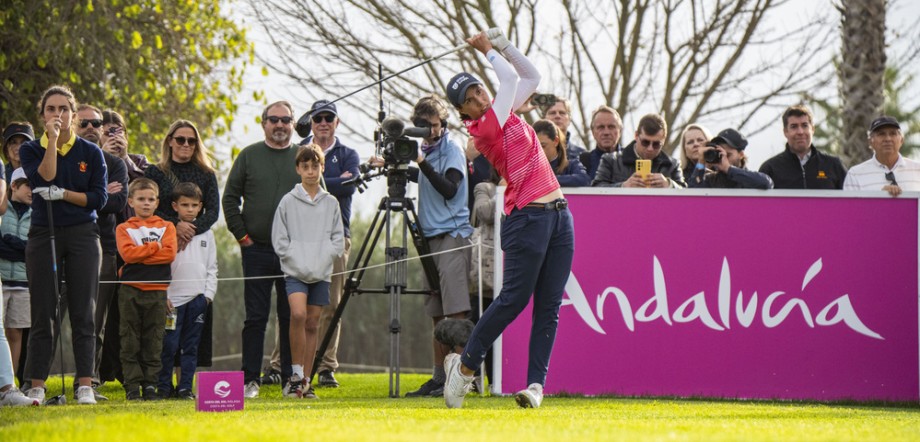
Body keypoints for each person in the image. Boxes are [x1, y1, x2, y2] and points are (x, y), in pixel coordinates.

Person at [442, 29, 574, 410]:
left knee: (549, 306)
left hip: (559, 216)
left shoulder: (501, 110)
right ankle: (465, 368)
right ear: (463, 113)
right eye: (469, 100)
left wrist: (503, 45)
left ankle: (535, 386)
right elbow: (512, 79)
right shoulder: (483, 128)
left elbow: (530, 77)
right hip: (526, 218)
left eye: (479, 91)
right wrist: (488, 49)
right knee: (514, 300)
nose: (478, 99)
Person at [20, 85, 108, 405]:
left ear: (73, 113)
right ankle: (37, 385)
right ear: (43, 115)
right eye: (51, 109)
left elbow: (99, 198)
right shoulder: (32, 149)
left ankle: (84, 383)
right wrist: (53, 141)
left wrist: (66, 195)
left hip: (84, 234)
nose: (57, 114)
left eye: (63, 109)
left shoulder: (91, 152)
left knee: (84, 310)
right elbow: (46, 176)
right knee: (44, 312)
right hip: (45, 234)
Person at [391, 95, 475, 398]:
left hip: (453, 234)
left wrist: (421, 162)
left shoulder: (452, 149)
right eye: (423, 127)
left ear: (444, 124)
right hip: (431, 236)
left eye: (434, 126)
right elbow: (428, 180)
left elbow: (450, 188)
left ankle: (466, 376)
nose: (430, 132)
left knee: (456, 313)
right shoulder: (426, 151)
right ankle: (439, 377)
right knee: (437, 313)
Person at [223, 101, 302, 398]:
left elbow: (318, 199)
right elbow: (230, 199)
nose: (280, 125)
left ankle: (288, 379)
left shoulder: (303, 156)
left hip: (292, 254)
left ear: (293, 123)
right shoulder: (249, 155)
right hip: (255, 250)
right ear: (263, 123)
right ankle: (249, 381)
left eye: (286, 120)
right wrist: (243, 237)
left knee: (289, 316)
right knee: (255, 317)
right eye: (274, 120)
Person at [272, 144, 344, 399]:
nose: (311, 171)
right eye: (305, 166)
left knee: (313, 323)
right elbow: (279, 240)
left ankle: (305, 381)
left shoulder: (331, 202)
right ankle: (293, 376)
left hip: (321, 273)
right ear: (298, 169)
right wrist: (296, 259)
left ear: (322, 168)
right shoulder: (288, 201)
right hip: (295, 272)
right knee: (298, 315)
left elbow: (338, 239)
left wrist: (325, 258)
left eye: (315, 166)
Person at [299, 99, 360, 388]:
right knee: (297, 304)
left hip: (337, 234)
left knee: (332, 303)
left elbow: (346, 187)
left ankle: (326, 367)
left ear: (337, 122)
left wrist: (322, 180)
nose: (323, 122)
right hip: (302, 235)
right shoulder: (299, 150)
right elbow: (306, 186)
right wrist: (336, 180)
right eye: (318, 118)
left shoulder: (349, 154)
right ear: (311, 122)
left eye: (329, 118)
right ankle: (284, 364)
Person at [77, 104, 128, 400]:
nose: (92, 127)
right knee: (60, 319)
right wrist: (98, 193)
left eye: (97, 122)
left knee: (96, 321)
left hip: (106, 248)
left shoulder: (114, 162)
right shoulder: (65, 159)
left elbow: (116, 202)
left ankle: (89, 380)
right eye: (86, 122)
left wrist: (83, 195)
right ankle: (36, 381)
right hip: (67, 244)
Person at [116, 178, 177, 401]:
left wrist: (143, 254)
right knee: (129, 337)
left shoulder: (167, 226)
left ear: (157, 202)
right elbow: (127, 255)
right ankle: (132, 385)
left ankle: (150, 384)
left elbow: (169, 255)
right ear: (131, 201)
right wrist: (155, 247)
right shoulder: (124, 228)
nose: (146, 203)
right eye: (141, 199)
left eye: (151, 199)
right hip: (130, 289)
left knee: (154, 338)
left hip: (158, 290)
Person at [157, 182, 217, 400]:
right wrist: (164, 294)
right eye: (185, 205)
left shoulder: (207, 234)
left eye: (194, 205)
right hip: (172, 301)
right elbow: (161, 265)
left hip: (197, 300)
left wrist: (208, 296)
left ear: (200, 206)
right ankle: (163, 387)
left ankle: (185, 388)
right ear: (175, 206)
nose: (190, 209)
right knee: (169, 346)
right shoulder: (166, 231)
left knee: (190, 348)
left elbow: (212, 267)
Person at [759, 105, 847, 189]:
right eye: (794, 127)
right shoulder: (770, 169)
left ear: (812, 129)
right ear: (785, 132)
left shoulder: (834, 166)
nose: (800, 132)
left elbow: (850, 202)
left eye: (805, 125)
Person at [592, 114, 686, 188]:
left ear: (664, 141)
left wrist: (669, 185)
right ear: (636, 135)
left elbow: (687, 195)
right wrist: (623, 186)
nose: (650, 148)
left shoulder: (672, 165)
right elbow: (595, 190)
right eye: (645, 142)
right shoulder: (611, 160)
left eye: (656, 144)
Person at [0, 168, 30, 388]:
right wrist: (19, 249)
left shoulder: (37, 213)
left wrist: (11, 242)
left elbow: (34, 251)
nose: (33, 191)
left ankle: (11, 383)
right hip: (1, 281)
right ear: (13, 186)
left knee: (15, 332)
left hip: (23, 283)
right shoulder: (2, 210)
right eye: (28, 185)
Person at [844, 116, 920, 195]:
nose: (888, 139)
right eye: (881, 134)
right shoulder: (855, 174)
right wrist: (880, 198)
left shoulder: (918, 169)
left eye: (893, 133)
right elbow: (850, 206)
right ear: (870, 142)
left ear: (901, 140)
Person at [687, 129, 773, 189]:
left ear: (741, 154)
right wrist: (701, 162)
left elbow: (766, 183)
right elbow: (693, 194)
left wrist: (728, 169)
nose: (723, 158)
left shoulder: (749, 179)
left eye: (728, 155)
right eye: (720, 153)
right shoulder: (711, 180)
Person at [533, 119, 590, 187]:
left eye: (543, 146)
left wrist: (549, 180)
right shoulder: (529, 169)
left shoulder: (572, 165)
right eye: (534, 147)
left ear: (556, 141)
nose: (538, 151)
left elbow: (584, 180)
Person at [580, 106, 623, 180]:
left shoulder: (632, 159)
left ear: (620, 131)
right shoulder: (583, 161)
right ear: (593, 132)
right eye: (601, 127)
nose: (606, 132)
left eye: (611, 127)